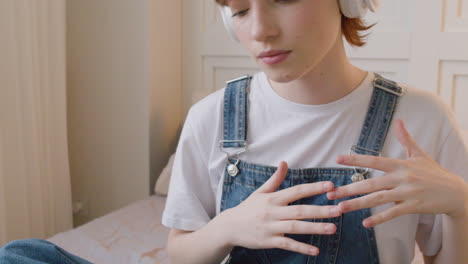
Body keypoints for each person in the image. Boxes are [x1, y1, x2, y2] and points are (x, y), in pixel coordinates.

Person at [161, 0, 468, 264]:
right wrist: (226, 228)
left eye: (283, 0)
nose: (259, 31)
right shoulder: (210, 117)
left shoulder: (422, 119)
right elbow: (178, 253)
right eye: (240, 11)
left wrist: (461, 205)